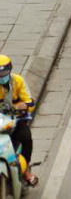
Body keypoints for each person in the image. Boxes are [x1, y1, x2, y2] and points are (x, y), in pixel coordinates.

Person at [0, 55, 38, 187]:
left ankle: (26, 171)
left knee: (26, 137)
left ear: (9, 70)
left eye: (3, 73)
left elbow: (30, 103)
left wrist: (23, 106)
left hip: (16, 121)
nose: (1, 76)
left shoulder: (18, 81)